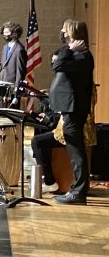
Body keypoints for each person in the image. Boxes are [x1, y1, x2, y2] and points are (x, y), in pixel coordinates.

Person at [49, 19, 94, 204]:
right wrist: (68, 50)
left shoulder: (82, 56)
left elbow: (58, 65)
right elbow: (57, 63)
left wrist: (69, 50)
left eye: (65, 30)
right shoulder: (73, 54)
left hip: (75, 109)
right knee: (74, 150)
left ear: (74, 34)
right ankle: (76, 189)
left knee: (77, 152)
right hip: (69, 108)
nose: (61, 32)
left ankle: (78, 192)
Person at [0, 21, 26, 107]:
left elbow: (20, 70)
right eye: (4, 33)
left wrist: (17, 88)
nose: (5, 35)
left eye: (7, 33)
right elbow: (3, 66)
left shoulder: (19, 49)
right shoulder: (5, 47)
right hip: (2, 84)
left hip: (12, 86)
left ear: (15, 33)